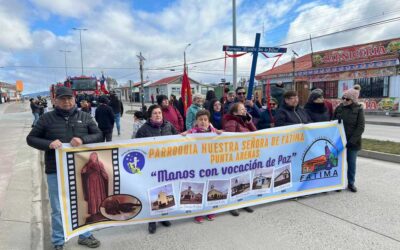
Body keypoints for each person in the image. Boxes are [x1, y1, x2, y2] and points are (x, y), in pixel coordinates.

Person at [26, 86, 103, 250]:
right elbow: (31, 139)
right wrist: (48, 144)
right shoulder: (46, 118)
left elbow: (99, 135)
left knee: (83, 203)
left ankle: (85, 235)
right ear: (55, 101)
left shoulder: (85, 116)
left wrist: (83, 139)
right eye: (62, 99)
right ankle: (59, 241)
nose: (66, 102)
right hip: (56, 171)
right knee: (58, 208)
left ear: (74, 99)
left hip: (81, 170)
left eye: (69, 98)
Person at [135, 105, 177, 233]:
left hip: (167, 165)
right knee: (153, 193)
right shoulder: (143, 130)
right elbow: (136, 146)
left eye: (159, 113)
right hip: (151, 166)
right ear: (150, 115)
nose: (158, 115)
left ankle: (163, 216)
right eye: (155, 113)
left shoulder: (168, 126)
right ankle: (151, 220)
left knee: (165, 190)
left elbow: (179, 139)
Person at [181, 110, 222, 223]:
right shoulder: (192, 133)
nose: (203, 122)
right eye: (200, 120)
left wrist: (221, 133)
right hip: (197, 167)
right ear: (196, 121)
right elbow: (184, 140)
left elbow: (222, 138)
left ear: (209, 122)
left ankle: (209, 210)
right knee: (199, 188)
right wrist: (183, 136)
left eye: (205, 120)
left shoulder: (214, 132)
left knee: (209, 187)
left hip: (210, 166)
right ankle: (198, 213)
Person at [223, 102, 256, 216]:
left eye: (244, 108)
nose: (244, 110)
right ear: (235, 112)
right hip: (235, 157)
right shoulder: (232, 122)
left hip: (245, 155)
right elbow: (230, 139)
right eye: (241, 109)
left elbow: (255, 134)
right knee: (234, 180)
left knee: (243, 180)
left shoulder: (243, 121)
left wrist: (250, 122)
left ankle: (243, 202)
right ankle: (232, 204)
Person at [333, 88, 365, 193]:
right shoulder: (339, 108)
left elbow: (360, 127)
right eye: (343, 98)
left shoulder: (359, 110)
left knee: (351, 163)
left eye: (347, 99)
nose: (344, 101)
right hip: (339, 141)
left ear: (353, 100)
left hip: (352, 142)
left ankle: (351, 183)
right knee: (338, 163)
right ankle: (338, 183)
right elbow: (332, 123)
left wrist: (351, 141)